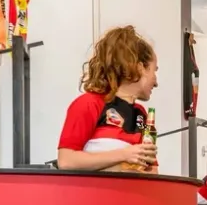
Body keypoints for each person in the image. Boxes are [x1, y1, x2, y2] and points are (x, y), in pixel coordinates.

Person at [57, 26, 159, 173]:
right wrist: (124, 155)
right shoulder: (88, 104)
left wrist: (128, 165)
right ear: (140, 67)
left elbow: (152, 170)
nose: (156, 82)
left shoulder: (142, 114)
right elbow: (66, 161)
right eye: (154, 71)